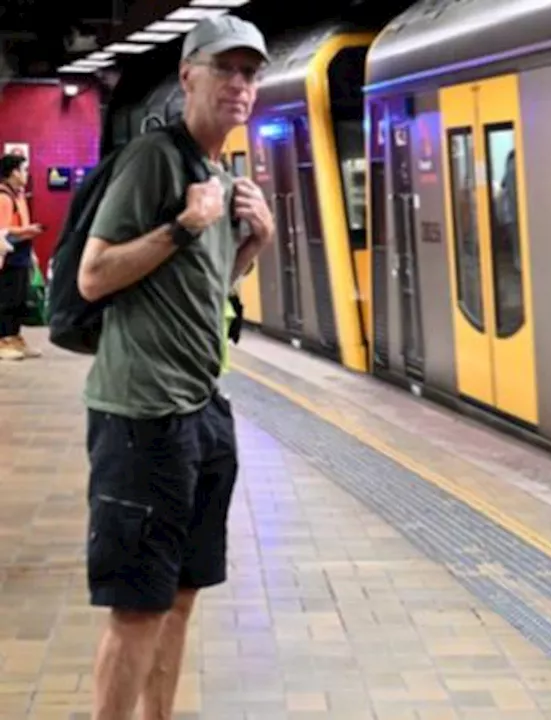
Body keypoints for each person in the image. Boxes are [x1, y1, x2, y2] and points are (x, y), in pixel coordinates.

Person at [74, 15, 274, 720]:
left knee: (181, 599)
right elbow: (93, 279)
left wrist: (253, 244)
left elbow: (204, 292)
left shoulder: (217, 174)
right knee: (137, 611)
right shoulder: (155, 160)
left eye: (250, 73)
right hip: (142, 419)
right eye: (226, 69)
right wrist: (183, 225)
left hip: (200, 412)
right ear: (189, 75)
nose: (240, 85)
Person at [0, 153, 44, 361]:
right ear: (13, 172)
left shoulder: (18, 195)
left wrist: (32, 251)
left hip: (22, 253)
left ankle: (15, 337)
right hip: (8, 255)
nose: (26, 174)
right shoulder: (3, 197)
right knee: (7, 300)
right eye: (23, 169)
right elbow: (3, 230)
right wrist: (26, 230)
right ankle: (3, 340)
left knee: (19, 300)